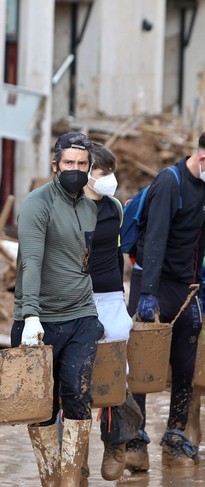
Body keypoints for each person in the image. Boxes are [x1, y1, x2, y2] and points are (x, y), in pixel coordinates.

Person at [13, 132, 104, 487]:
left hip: (82, 314)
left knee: (78, 393)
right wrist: (30, 313)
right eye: (69, 164)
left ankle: (71, 485)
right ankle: (49, 483)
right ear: (55, 166)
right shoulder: (37, 204)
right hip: (40, 318)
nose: (75, 170)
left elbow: (84, 261)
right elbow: (30, 260)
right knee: (42, 406)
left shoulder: (90, 207)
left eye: (82, 165)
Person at [126, 131, 205, 469]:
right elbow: (155, 238)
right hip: (152, 281)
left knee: (185, 367)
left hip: (186, 287)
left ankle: (174, 436)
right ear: (203, 159)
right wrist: (146, 295)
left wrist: (201, 285)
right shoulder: (170, 183)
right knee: (142, 367)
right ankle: (133, 440)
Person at [85, 143, 142, 480]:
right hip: (74, 298)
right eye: (100, 172)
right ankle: (75, 458)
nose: (107, 179)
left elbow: (120, 253)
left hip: (110, 297)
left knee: (116, 372)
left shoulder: (115, 208)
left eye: (109, 172)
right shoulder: (69, 208)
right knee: (70, 376)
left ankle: (116, 442)